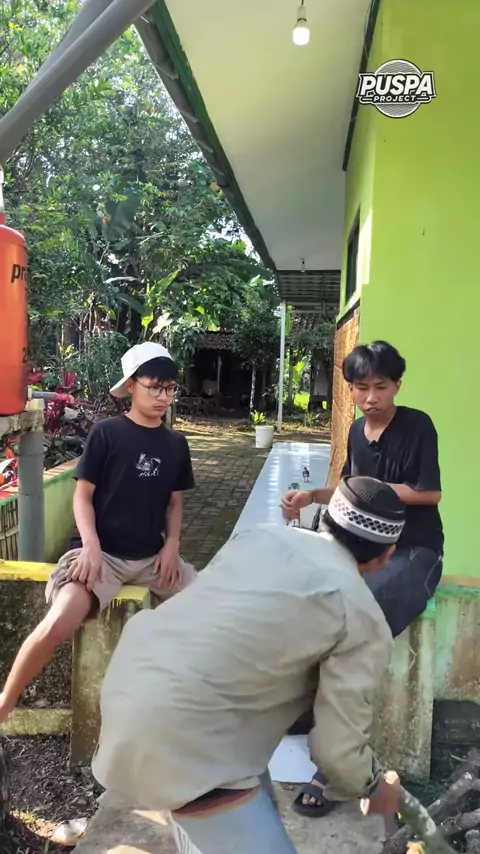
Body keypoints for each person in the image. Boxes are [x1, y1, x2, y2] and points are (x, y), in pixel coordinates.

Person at [92, 476, 405, 854]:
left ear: (325, 519)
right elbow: (337, 751)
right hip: (187, 738)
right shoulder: (361, 613)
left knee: (245, 802)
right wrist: (373, 785)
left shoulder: (260, 537)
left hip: (128, 683)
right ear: (387, 554)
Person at [282, 340, 443, 817]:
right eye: (361, 388)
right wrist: (313, 495)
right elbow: (348, 489)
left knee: (358, 629)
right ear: (350, 389)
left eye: (381, 387)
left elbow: (428, 493)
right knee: (310, 604)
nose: (371, 398)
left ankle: (332, 765)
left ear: (397, 386)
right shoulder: (355, 431)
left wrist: (369, 492)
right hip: (365, 551)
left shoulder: (417, 426)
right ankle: (309, 708)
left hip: (414, 552)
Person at [0, 342, 196, 725]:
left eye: (170, 388)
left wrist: (172, 545)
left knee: (213, 612)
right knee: (59, 620)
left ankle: (187, 707)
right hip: (100, 556)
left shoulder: (175, 444)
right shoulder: (107, 434)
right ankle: (8, 697)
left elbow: (174, 503)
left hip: (152, 558)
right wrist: (90, 546)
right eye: (155, 387)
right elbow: (82, 496)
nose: (163, 397)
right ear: (131, 385)